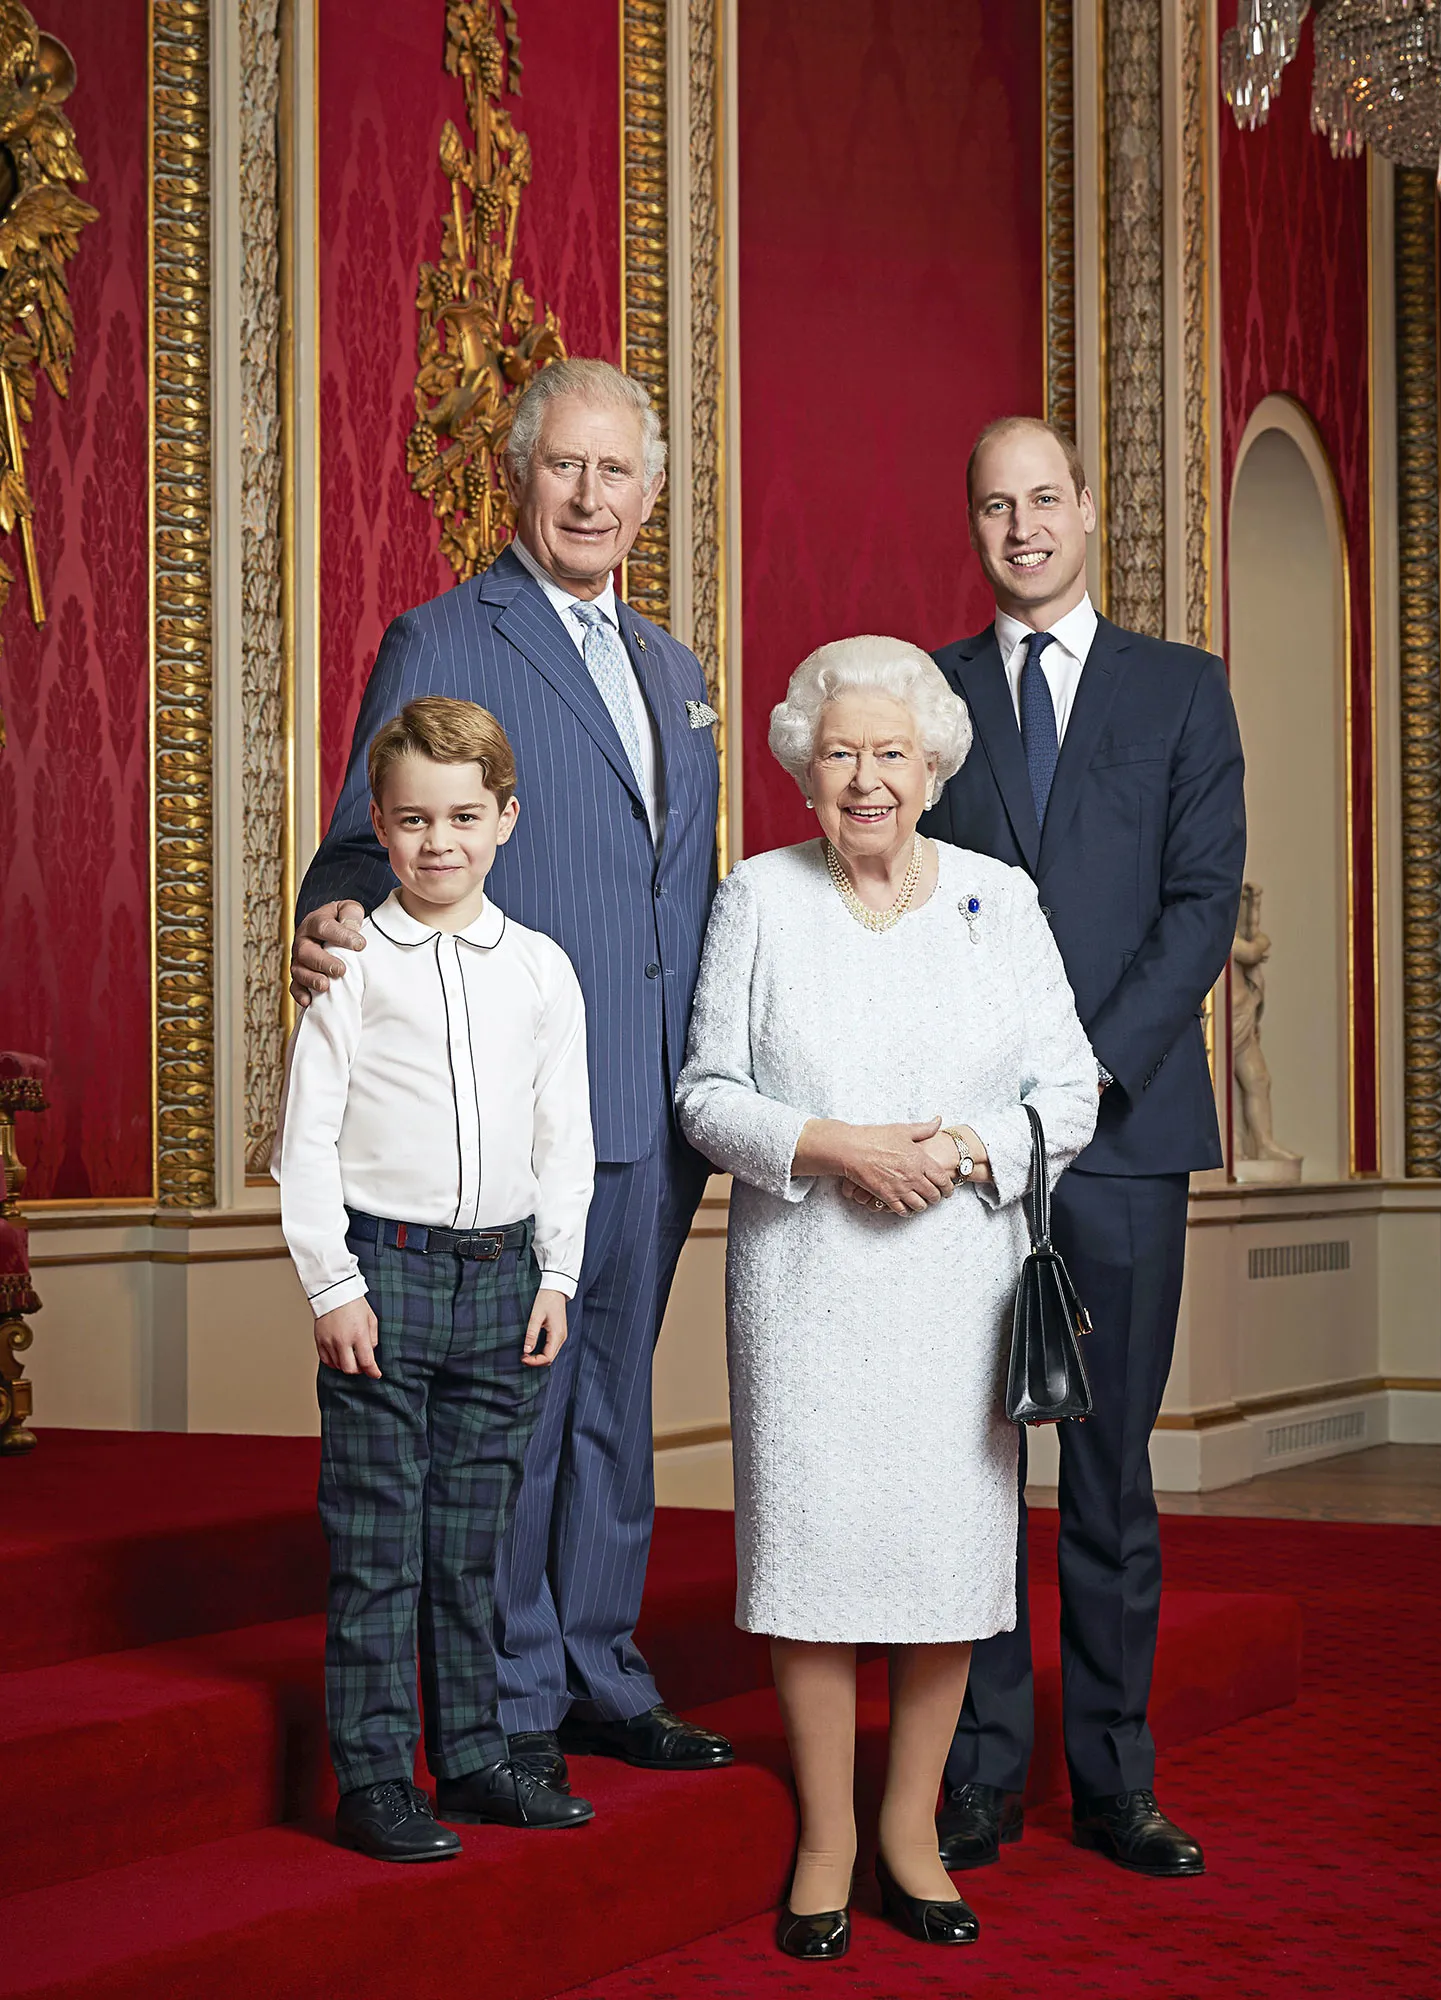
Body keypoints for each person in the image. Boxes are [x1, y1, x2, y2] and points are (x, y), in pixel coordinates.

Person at [288, 359, 733, 1806]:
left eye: (617, 474)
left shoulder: (675, 671)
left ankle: (601, 1669)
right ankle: (507, 1699)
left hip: (657, 1101)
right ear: (520, 477)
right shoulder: (444, 634)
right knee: (517, 1424)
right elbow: (365, 838)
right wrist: (337, 913)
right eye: (565, 469)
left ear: (648, 495)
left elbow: (681, 890)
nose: (591, 497)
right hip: (517, 1102)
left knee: (614, 1401)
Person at [676, 637, 1100, 1961]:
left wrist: (962, 1151)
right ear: (805, 765)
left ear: (931, 768)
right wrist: (832, 1147)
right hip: (803, 1278)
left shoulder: (998, 898)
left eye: (891, 755)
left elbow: (1068, 1091)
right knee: (808, 1561)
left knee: (940, 1563)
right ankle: (824, 1837)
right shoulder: (757, 894)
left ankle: (910, 1831)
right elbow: (705, 1093)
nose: (866, 780)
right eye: (841, 753)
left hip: (952, 1282)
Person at [922, 417, 1245, 1877]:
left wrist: (1083, 1077)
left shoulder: (1181, 693)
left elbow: (1197, 909)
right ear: (974, 525)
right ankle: (979, 1771)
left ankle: (1113, 1776)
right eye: (994, 506)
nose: (1021, 527)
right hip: (970, 1149)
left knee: (1107, 1472)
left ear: (1087, 512)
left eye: (1042, 499)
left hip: (1118, 1137)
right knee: (977, 1468)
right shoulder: (919, 699)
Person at [274, 696, 597, 1860]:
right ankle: (374, 1774)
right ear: (380, 821)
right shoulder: (353, 964)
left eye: (465, 815)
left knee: (471, 1538)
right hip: (386, 1273)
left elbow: (566, 1133)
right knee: (378, 1537)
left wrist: (557, 1271)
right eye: (413, 820)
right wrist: (330, 1284)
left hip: (503, 1278)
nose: (439, 842)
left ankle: (470, 1756)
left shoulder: (543, 971)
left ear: (505, 817)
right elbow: (302, 1141)